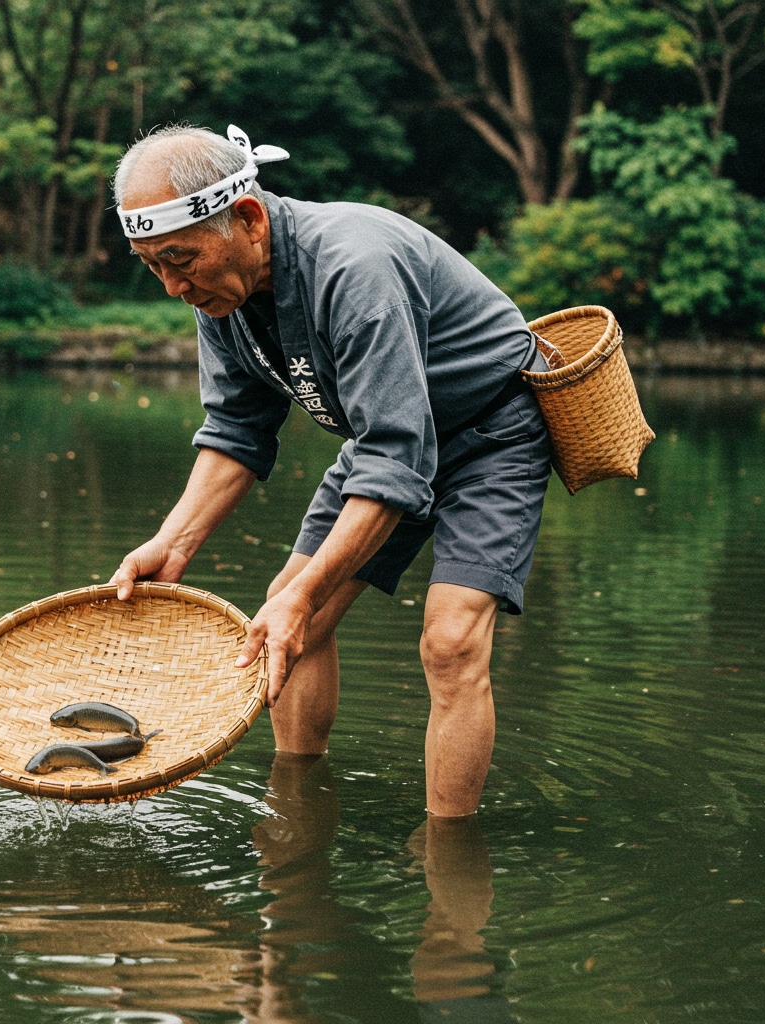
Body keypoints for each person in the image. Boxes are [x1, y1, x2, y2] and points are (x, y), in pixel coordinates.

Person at [109, 123, 553, 818]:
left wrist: (308, 588)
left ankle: (448, 866)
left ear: (248, 219)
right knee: (292, 620)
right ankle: (299, 814)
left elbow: (398, 457)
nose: (172, 286)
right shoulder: (220, 289)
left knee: (450, 640)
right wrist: (175, 541)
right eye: (152, 266)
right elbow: (235, 431)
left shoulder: (354, 266)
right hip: (388, 441)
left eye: (180, 259)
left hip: (489, 433)